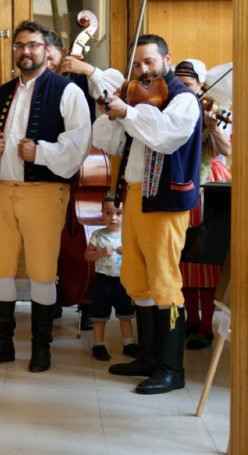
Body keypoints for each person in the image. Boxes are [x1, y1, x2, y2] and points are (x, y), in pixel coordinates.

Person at [0, 20, 91, 373]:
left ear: (47, 50)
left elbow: (79, 145)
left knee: (42, 272)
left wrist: (39, 152)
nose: (25, 51)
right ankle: (3, 343)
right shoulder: (2, 92)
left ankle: (42, 347)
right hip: (4, 191)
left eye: (33, 45)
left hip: (45, 193)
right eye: (20, 45)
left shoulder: (67, 91)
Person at [93, 34, 202, 394]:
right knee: (136, 278)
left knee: (164, 280)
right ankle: (149, 357)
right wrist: (112, 112)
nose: (142, 70)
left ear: (167, 59)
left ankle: (172, 369)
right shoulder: (137, 97)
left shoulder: (183, 98)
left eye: (149, 62)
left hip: (165, 201)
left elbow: (165, 138)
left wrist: (128, 112)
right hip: (135, 195)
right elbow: (109, 142)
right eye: (137, 64)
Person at [45, 31, 125, 327]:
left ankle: (88, 299)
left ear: (62, 53)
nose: (47, 63)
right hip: (47, 169)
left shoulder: (81, 74)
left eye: (51, 57)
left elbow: (115, 90)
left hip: (81, 167)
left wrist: (88, 69)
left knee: (80, 237)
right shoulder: (37, 84)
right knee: (48, 238)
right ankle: (51, 294)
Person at [174, 59, 232, 350]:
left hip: (209, 184)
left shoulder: (217, 111)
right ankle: (190, 319)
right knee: (184, 259)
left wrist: (214, 128)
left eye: (188, 85)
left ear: (202, 85)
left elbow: (227, 149)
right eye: (178, 85)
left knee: (207, 258)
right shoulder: (172, 108)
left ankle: (206, 325)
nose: (183, 90)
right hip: (180, 182)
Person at [83, 193, 138, 361]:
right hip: (103, 281)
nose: (113, 217)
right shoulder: (98, 235)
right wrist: (100, 253)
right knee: (99, 317)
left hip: (123, 281)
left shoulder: (128, 235)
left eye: (118, 213)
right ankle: (98, 345)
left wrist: (128, 252)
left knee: (125, 316)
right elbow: (87, 255)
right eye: (108, 213)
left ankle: (128, 344)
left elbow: (138, 256)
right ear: (102, 213)